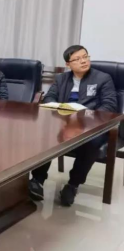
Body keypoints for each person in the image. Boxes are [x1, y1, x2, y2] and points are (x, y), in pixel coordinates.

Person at [29, 45, 117, 206]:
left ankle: (73, 185)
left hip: (92, 126)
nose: (83, 61)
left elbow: (109, 106)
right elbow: (49, 98)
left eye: (85, 56)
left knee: (92, 143)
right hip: (65, 123)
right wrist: (60, 109)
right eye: (77, 59)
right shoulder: (62, 79)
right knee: (45, 137)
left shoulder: (103, 78)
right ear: (68, 64)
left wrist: (84, 116)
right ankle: (37, 180)